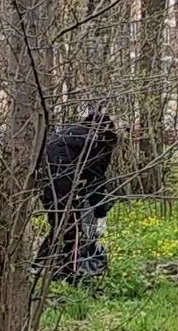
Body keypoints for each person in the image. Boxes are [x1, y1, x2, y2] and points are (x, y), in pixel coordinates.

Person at [37, 108, 119, 280]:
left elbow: (85, 173)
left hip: (44, 179)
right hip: (59, 179)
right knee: (71, 227)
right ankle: (68, 273)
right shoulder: (98, 141)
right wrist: (100, 214)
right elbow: (96, 179)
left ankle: (38, 265)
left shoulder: (72, 134)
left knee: (60, 225)